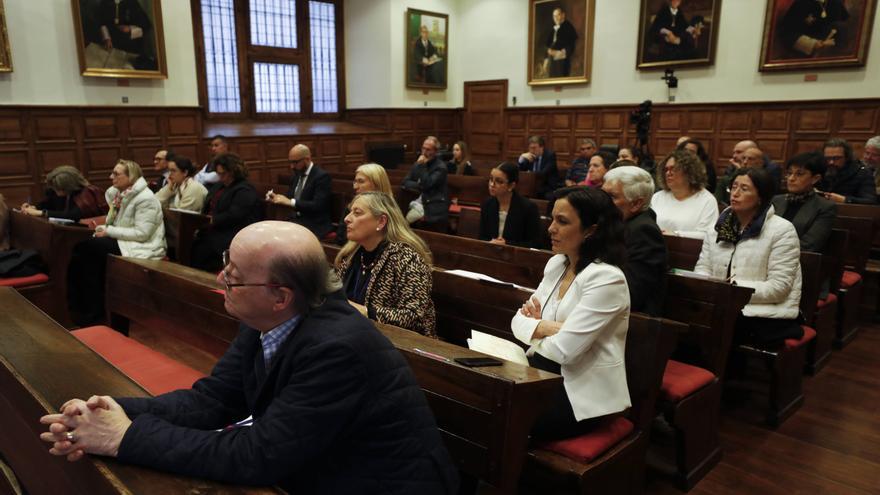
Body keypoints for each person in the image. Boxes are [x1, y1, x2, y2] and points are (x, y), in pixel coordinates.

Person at [41, 221, 459, 494]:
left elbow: (257, 455)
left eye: (235, 276)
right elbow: (213, 401)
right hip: (319, 469)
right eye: (227, 265)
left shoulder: (337, 348)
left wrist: (123, 437)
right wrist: (119, 410)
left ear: (280, 295)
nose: (221, 279)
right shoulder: (269, 319)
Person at [511, 187, 630, 441]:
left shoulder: (606, 278)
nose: (551, 228)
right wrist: (552, 327)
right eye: (552, 219)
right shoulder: (557, 263)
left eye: (562, 221)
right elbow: (516, 321)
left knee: (505, 419)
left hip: (581, 393)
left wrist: (537, 325)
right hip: (541, 371)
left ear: (591, 230)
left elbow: (565, 351)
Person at [695, 168, 803, 348]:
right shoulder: (719, 227)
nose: (735, 193)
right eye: (734, 187)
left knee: (720, 325)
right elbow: (702, 268)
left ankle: (719, 374)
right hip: (723, 303)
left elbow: (779, 288)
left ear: (761, 197)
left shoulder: (782, 230)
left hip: (766, 311)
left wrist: (732, 291)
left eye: (744, 189)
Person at [67, 160, 165, 326]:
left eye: (116, 174)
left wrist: (108, 231)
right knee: (79, 249)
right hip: (124, 241)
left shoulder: (145, 199)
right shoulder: (123, 195)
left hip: (143, 246)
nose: (111, 177)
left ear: (131, 177)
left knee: (90, 251)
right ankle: (80, 307)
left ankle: (93, 312)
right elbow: (116, 219)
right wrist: (106, 229)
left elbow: (142, 234)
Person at [335, 192, 437, 337]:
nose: (347, 219)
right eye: (349, 212)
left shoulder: (407, 259)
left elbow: (414, 317)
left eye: (357, 213)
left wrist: (364, 311)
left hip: (397, 345)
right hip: (353, 333)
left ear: (381, 222)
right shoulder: (353, 253)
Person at [602, 166, 667, 316]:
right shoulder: (614, 223)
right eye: (601, 193)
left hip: (634, 321)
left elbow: (631, 292)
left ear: (636, 204)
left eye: (611, 197)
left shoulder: (644, 232)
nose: (602, 201)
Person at [190, 153, 261, 272]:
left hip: (231, 231)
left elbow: (235, 215)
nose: (221, 177)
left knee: (203, 249)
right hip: (213, 228)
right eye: (218, 174)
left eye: (224, 173)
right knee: (193, 243)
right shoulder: (219, 186)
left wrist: (212, 220)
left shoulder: (245, 189)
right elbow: (208, 205)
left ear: (234, 171)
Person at [771, 152, 836, 253]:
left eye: (799, 174)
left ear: (815, 178)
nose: (791, 178)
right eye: (789, 173)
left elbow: (809, 245)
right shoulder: (776, 200)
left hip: (797, 260)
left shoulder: (825, 207)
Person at [267, 144, 333, 238]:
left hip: (314, 223)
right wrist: (276, 198)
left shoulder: (321, 177)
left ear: (307, 159)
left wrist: (291, 202)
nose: (292, 166)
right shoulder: (296, 175)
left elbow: (318, 205)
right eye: (290, 162)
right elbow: (289, 198)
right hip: (296, 221)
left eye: (295, 162)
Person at [652, 150, 718, 239]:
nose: (668, 173)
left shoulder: (707, 200)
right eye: (666, 169)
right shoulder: (658, 197)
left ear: (689, 171)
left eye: (673, 169)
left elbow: (707, 235)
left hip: (690, 251)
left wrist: (676, 234)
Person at [479, 162, 542, 248]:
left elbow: (534, 243)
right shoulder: (487, 204)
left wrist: (507, 245)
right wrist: (490, 243)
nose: (492, 184)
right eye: (491, 179)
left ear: (511, 186)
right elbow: (482, 237)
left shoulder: (528, 208)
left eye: (499, 181)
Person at [20, 166, 108, 222]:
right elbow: (49, 203)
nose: (54, 190)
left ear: (68, 186)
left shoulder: (87, 194)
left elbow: (72, 216)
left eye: (56, 188)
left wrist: (41, 213)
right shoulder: (61, 192)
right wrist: (34, 207)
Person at [335, 163, 394, 245]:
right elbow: (340, 238)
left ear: (376, 184)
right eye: (355, 181)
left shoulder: (390, 209)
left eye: (361, 181)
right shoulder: (351, 206)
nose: (355, 187)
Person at [403, 136, 449, 228]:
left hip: (434, 205)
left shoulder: (440, 167)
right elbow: (405, 182)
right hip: (420, 202)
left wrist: (423, 167)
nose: (424, 152)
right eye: (423, 148)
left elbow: (427, 184)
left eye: (428, 150)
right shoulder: (418, 164)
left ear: (435, 151)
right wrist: (419, 185)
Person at [96, 0, 155, 69]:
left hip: (131, 46)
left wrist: (130, 28)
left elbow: (146, 25)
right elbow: (102, 22)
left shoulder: (132, 2)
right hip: (112, 45)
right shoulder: (105, 2)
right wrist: (107, 38)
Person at [779, 0, 850, 57]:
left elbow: (847, 29)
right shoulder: (800, 4)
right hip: (806, 56)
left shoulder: (836, 3)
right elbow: (787, 33)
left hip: (835, 54)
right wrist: (814, 44)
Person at [818, 138, 876, 204]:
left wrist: (845, 200)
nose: (831, 162)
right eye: (828, 158)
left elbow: (871, 202)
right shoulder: (820, 170)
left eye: (837, 158)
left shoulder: (863, 173)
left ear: (847, 157)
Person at [543, 7, 578, 78]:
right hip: (552, 63)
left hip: (562, 63)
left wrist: (557, 53)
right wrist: (546, 59)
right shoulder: (553, 29)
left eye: (558, 15)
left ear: (563, 15)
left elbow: (571, 47)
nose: (555, 18)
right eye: (554, 16)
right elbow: (548, 45)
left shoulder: (568, 27)